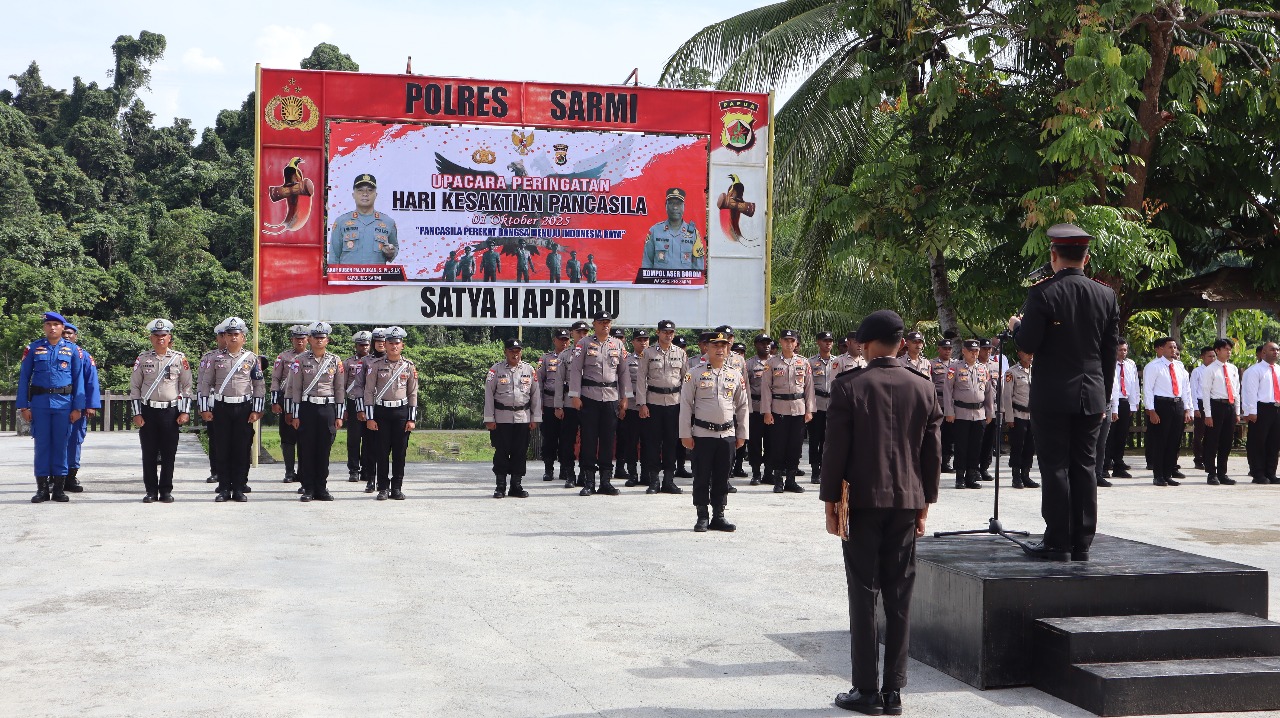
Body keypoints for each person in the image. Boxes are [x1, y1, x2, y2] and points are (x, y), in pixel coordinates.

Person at [820, 310, 942, 716]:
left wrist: (830, 504)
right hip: (907, 502)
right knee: (899, 595)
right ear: (901, 343)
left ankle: (866, 691)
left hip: (863, 503)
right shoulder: (923, 387)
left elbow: (834, 452)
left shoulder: (850, 386)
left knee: (863, 591)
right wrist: (924, 505)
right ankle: (894, 691)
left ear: (866, 345)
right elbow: (932, 455)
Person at [1009, 223, 1120, 562]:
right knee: (1085, 466)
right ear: (1086, 257)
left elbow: (1027, 345)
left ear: (1053, 255)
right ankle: (1082, 541)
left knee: (1055, 466)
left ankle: (1058, 540)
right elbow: (1109, 353)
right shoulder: (1106, 295)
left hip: (1053, 395)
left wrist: (1016, 327)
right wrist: (1104, 396)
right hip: (1092, 394)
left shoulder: (1042, 293)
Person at [679, 330, 747, 532]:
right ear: (706, 348)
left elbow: (743, 406)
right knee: (701, 475)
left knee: (722, 476)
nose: (720, 349)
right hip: (702, 434)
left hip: (727, 435)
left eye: (723, 346)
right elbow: (685, 404)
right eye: (715, 346)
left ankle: (719, 515)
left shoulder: (734, 375)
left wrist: (742, 433)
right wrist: (685, 433)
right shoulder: (695, 373)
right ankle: (702, 515)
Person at [18, 311, 86, 503]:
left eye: (57, 324)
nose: (52, 327)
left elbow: (79, 380)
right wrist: (23, 406)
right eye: (49, 324)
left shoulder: (73, 350)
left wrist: (77, 408)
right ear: (44, 327)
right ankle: (41, 490)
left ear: (63, 328)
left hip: (64, 404)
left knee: (61, 446)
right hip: (39, 404)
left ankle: (58, 489)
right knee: (41, 446)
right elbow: (24, 378)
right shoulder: (33, 348)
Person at [198, 317, 266, 503]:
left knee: (242, 449)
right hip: (221, 407)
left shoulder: (251, 359)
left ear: (243, 337)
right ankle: (224, 488)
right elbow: (205, 384)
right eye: (230, 335)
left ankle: (238, 488)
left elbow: (259, 385)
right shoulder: (215, 358)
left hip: (244, 408)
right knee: (222, 448)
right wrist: (204, 408)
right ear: (225, 338)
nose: (233, 338)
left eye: (237, 334)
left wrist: (257, 409)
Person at [128, 318, 193, 503]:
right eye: (156, 336)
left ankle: (165, 490)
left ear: (169, 337)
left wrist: (185, 411)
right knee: (148, 453)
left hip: (170, 411)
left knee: (168, 453)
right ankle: (150, 491)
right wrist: (137, 413)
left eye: (163, 335)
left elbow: (187, 386)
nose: (160, 339)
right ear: (151, 338)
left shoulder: (179, 358)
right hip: (148, 411)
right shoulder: (142, 359)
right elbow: (135, 387)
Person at [567, 312, 632, 496]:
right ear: (594, 324)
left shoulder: (618, 344)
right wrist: (575, 395)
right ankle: (588, 481)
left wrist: (625, 397)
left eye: (608, 322)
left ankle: (606, 481)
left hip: (611, 397)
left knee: (608, 439)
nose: (605, 325)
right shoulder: (584, 343)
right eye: (601, 322)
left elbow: (624, 373)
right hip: (589, 397)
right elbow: (575, 370)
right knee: (588, 439)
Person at [286, 322, 346, 502]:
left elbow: (339, 389)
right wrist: (294, 414)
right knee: (307, 449)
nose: (319, 341)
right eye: (316, 338)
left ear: (327, 340)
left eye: (322, 338)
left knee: (324, 450)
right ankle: (308, 488)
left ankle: (322, 487)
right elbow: (295, 388)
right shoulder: (301, 360)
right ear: (310, 339)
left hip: (327, 408)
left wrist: (339, 414)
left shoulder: (335, 361)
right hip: (307, 408)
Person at [360, 326, 418, 500]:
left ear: (403, 345)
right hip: (381, 412)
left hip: (401, 412)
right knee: (382, 452)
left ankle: (397, 487)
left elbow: (413, 393)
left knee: (400, 453)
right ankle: (383, 487)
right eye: (390, 343)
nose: (394, 346)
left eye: (397, 343)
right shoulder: (375, 365)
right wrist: (370, 417)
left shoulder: (409, 366)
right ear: (385, 344)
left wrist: (411, 418)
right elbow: (368, 391)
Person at [484, 339, 541, 498]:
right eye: (511, 351)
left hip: (523, 417)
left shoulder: (529, 370)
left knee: (520, 452)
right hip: (502, 419)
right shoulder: (496, 370)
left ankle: (516, 485)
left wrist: (535, 418)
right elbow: (489, 395)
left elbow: (535, 395)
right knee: (501, 452)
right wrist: (489, 418)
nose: (515, 354)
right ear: (505, 352)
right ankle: (500, 486)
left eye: (518, 351)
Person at [762, 329, 814, 494]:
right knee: (778, 445)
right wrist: (767, 411)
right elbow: (766, 388)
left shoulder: (803, 363)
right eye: (786, 340)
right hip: (779, 408)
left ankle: (791, 480)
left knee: (795, 446)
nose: (789, 344)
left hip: (798, 408)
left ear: (796, 343)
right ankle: (778, 480)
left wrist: (809, 410)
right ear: (780, 342)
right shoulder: (771, 363)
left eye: (792, 341)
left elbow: (809, 388)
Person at [637, 320, 686, 494]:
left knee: (671, 443)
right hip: (654, 402)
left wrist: (686, 407)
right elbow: (641, 379)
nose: (668, 335)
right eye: (665, 332)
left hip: (674, 402)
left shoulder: (680, 353)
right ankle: (654, 481)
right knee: (652, 443)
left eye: (671, 332)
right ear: (658, 332)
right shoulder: (648, 353)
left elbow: (685, 381)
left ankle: (669, 480)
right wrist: (642, 404)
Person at [942, 339, 993, 490]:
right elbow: (947, 390)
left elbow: (989, 392)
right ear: (964, 351)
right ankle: (959, 477)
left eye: (976, 351)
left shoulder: (983, 369)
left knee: (976, 446)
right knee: (961, 446)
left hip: (979, 413)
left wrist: (989, 412)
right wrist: (949, 412)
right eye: (971, 351)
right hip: (961, 413)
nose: (974, 354)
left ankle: (971, 476)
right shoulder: (954, 368)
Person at [1143, 337, 1192, 487]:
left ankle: (1168, 474)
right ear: (1162, 349)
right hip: (1161, 405)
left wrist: (1187, 409)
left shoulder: (1179, 366)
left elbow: (1186, 389)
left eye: (1175, 347)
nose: (1173, 350)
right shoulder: (1153, 366)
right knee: (1160, 441)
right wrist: (1151, 410)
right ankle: (1158, 475)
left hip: (1177, 404)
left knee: (1173, 441)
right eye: (1170, 347)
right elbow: (1148, 390)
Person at [61, 322, 100, 493]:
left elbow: (91, 381)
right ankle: (54, 476)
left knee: (75, 440)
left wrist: (91, 405)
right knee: (54, 440)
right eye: (64, 333)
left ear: (75, 336)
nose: (66, 336)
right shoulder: (51, 353)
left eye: (70, 333)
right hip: (57, 404)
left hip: (77, 405)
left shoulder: (83, 355)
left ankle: (71, 475)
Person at [327, 174, 398, 264]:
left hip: (376, 277)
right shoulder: (341, 222)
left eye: (370, 190)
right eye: (360, 190)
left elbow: (394, 247)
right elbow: (334, 256)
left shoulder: (388, 222)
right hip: (347, 277)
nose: (365, 194)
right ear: (353, 195)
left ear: (376, 195)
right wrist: (333, 277)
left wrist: (391, 252)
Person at [271, 325, 309, 485]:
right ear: (292, 339)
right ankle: (289, 471)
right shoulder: (283, 357)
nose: (299, 341)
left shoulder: (312, 356)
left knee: (304, 438)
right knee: (287, 438)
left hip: (306, 402)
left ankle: (302, 472)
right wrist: (274, 401)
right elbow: (275, 379)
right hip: (286, 400)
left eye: (302, 338)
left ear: (308, 339)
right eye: (296, 338)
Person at [1201, 338, 1241, 485]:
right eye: (1226, 349)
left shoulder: (1233, 369)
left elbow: (1236, 391)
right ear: (1217, 351)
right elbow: (1206, 392)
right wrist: (1208, 414)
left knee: (1226, 441)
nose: (1229, 352)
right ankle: (1211, 473)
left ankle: (1222, 473)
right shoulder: (1210, 369)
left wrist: (1237, 412)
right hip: (1216, 405)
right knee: (1212, 441)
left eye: (1230, 349)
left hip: (1229, 406)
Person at [556, 320, 590, 487]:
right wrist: (558, 405)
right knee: (568, 440)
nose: (582, 335)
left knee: (588, 439)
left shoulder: (593, 352)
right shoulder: (564, 356)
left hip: (590, 401)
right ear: (572, 334)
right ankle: (569, 473)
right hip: (569, 403)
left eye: (585, 333)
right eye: (579, 333)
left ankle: (584, 473)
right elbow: (558, 382)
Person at [641, 187, 705, 271]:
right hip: (660, 283)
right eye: (671, 203)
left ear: (684, 206)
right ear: (666, 206)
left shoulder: (693, 233)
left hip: (683, 283)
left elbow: (698, 267)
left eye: (678, 204)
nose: (675, 207)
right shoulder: (655, 231)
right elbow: (647, 263)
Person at [1002, 348, 1040, 489]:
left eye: (1032, 353)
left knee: (1030, 446)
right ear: (1019, 354)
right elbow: (1007, 396)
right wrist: (1009, 417)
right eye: (1027, 353)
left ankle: (1026, 475)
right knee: (1018, 446)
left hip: (1032, 416)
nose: (1031, 356)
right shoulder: (1012, 372)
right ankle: (1016, 476)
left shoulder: (1035, 370)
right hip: (1018, 415)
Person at [355, 328, 387, 493]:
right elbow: (359, 386)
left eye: (384, 340)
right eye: (378, 340)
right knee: (369, 445)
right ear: (373, 342)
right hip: (370, 407)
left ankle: (385, 480)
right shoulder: (365, 362)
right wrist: (361, 409)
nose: (381, 343)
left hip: (388, 408)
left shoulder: (394, 360)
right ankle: (370, 478)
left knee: (386, 446)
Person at [1242, 342, 1279, 483]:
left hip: (1277, 408)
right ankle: (1258, 473)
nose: (1275, 352)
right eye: (1272, 349)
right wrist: (1251, 411)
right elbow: (1249, 392)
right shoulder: (1254, 370)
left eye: (1277, 350)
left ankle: (1271, 473)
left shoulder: (1278, 370)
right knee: (1258, 442)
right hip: (1261, 408)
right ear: (1263, 352)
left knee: (1274, 443)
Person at [537, 329, 570, 481]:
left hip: (567, 402)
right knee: (549, 438)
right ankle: (548, 469)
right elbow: (539, 383)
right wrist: (539, 405)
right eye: (561, 339)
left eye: (566, 339)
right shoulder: (545, 358)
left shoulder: (572, 357)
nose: (564, 342)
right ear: (554, 340)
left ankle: (564, 469)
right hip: (549, 404)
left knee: (566, 438)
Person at [617, 329, 649, 486]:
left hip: (650, 407)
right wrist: (621, 405)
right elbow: (622, 383)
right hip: (631, 406)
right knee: (631, 442)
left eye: (645, 339)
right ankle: (632, 474)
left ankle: (646, 474)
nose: (643, 342)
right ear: (633, 342)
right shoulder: (627, 359)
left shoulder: (653, 358)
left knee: (648, 442)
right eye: (639, 339)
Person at [200, 321, 229, 485]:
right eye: (222, 336)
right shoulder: (209, 357)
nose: (225, 339)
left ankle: (236, 476)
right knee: (215, 439)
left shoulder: (244, 356)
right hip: (214, 403)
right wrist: (203, 405)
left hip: (235, 403)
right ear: (218, 337)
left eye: (229, 335)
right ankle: (215, 471)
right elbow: (201, 383)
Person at [1106, 339, 1139, 478]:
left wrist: (1133, 403)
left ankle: (1119, 465)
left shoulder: (1130, 364)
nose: (1123, 353)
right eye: (1120, 350)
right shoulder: (1108, 363)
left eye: (1125, 350)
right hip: (1112, 401)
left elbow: (1134, 384)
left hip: (1125, 401)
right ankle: (1105, 464)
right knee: (1109, 435)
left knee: (1122, 435)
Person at [342, 331, 372, 482]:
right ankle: (353, 470)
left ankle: (366, 469)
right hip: (353, 403)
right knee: (354, 439)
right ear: (356, 346)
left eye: (366, 344)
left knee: (368, 438)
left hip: (370, 404)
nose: (364, 347)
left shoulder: (374, 362)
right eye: (361, 345)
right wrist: (344, 408)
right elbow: (342, 386)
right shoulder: (348, 363)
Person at [809, 331, 837, 485]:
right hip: (817, 404)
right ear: (818, 342)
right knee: (815, 439)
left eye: (830, 341)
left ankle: (826, 469)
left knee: (829, 440)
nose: (828, 343)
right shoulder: (811, 362)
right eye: (825, 340)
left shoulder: (837, 362)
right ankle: (815, 470)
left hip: (832, 405)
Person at [745, 333, 773, 485]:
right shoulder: (749, 364)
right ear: (756, 345)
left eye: (768, 343)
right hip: (755, 408)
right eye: (762, 343)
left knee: (771, 442)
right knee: (755, 442)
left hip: (771, 409)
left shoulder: (776, 362)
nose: (766, 345)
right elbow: (746, 388)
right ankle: (756, 472)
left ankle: (769, 472)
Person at [930, 338, 956, 473]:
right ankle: (936, 460)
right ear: (938, 349)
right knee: (937, 433)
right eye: (945, 348)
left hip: (951, 405)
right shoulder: (932, 364)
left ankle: (946, 461)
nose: (947, 351)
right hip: (938, 402)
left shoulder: (956, 365)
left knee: (949, 435)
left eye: (949, 349)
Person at [1190, 345, 1216, 471]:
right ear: (1202, 357)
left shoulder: (1217, 370)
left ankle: (1208, 458)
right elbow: (1193, 391)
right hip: (1200, 403)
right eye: (1209, 356)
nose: (1212, 359)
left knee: (1212, 434)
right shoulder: (1197, 372)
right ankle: (1198, 458)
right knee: (1200, 432)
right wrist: (1195, 408)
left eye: (1213, 356)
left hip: (1213, 403)